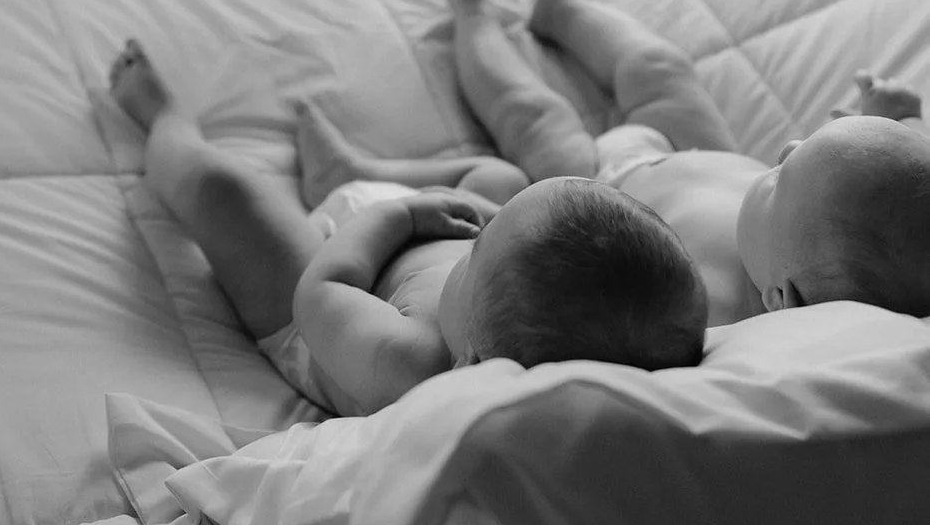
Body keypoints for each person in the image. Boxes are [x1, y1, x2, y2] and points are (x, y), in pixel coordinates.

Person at [297, 0, 930, 329]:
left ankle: (470, 19)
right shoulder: (805, 238)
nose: (789, 146)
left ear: (780, 300)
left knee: (529, 111)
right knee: (662, 68)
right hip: (700, 151)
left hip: (600, 191)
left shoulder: (712, 319)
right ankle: (563, 9)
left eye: (780, 176)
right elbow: (867, 194)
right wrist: (879, 118)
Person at [107, 38, 709, 420]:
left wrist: (395, 216)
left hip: (333, 281)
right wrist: (469, 214)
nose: (481, 234)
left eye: (475, 256)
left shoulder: (412, 362)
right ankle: (357, 171)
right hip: (418, 222)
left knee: (224, 194)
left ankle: (165, 124)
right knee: (496, 175)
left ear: (473, 362)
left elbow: (322, 294)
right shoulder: (503, 317)